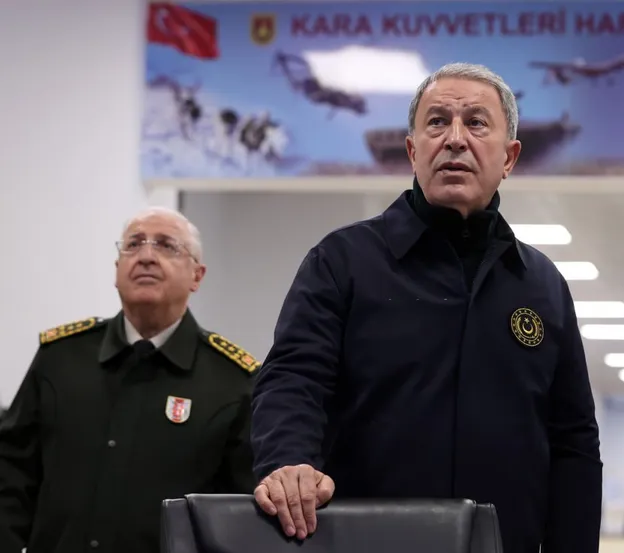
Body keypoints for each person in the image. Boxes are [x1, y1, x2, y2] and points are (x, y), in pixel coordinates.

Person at [249, 62, 602, 553]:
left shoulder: (542, 286)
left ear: (509, 157)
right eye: (437, 122)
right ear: (413, 151)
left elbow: (573, 443)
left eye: (476, 123)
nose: (455, 139)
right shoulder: (342, 263)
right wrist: (289, 461)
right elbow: (294, 379)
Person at [0, 207, 260, 553]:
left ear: (197, 276)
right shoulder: (60, 359)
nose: (146, 256)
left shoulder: (232, 382)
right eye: (134, 244)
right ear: (117, 268)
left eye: (167, 245)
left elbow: (241, 515)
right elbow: (10, 475)